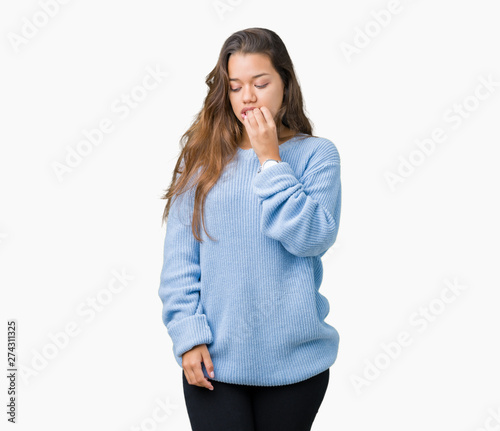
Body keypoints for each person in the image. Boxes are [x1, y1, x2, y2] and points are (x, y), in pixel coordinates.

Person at [158, 27, 342, 431]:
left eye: (261, 83)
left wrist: (270, 159)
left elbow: (311, 238)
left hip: (296, 364)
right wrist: (188, 336)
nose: (248, 96)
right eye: (236, 86)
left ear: (285, 84)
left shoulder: (316, 155)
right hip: (214, 362)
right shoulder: (203, 161)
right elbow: (180, 262)